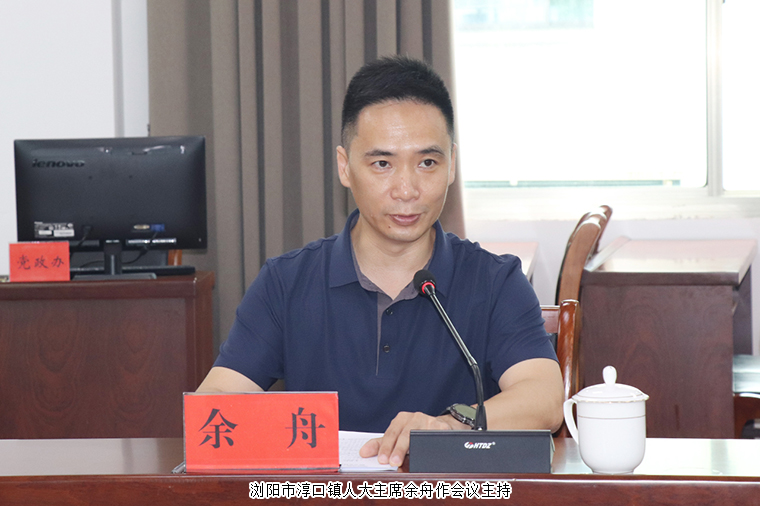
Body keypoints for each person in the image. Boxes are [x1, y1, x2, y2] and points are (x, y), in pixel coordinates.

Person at [197, 55, 564, 467]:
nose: (406, 189)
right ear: (345, 167)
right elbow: (215, 404)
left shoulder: (495, 281)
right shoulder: (286, 282)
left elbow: (545, 398)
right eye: (382, 164)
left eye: (427, 162)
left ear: (451, 165)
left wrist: (449, 426)